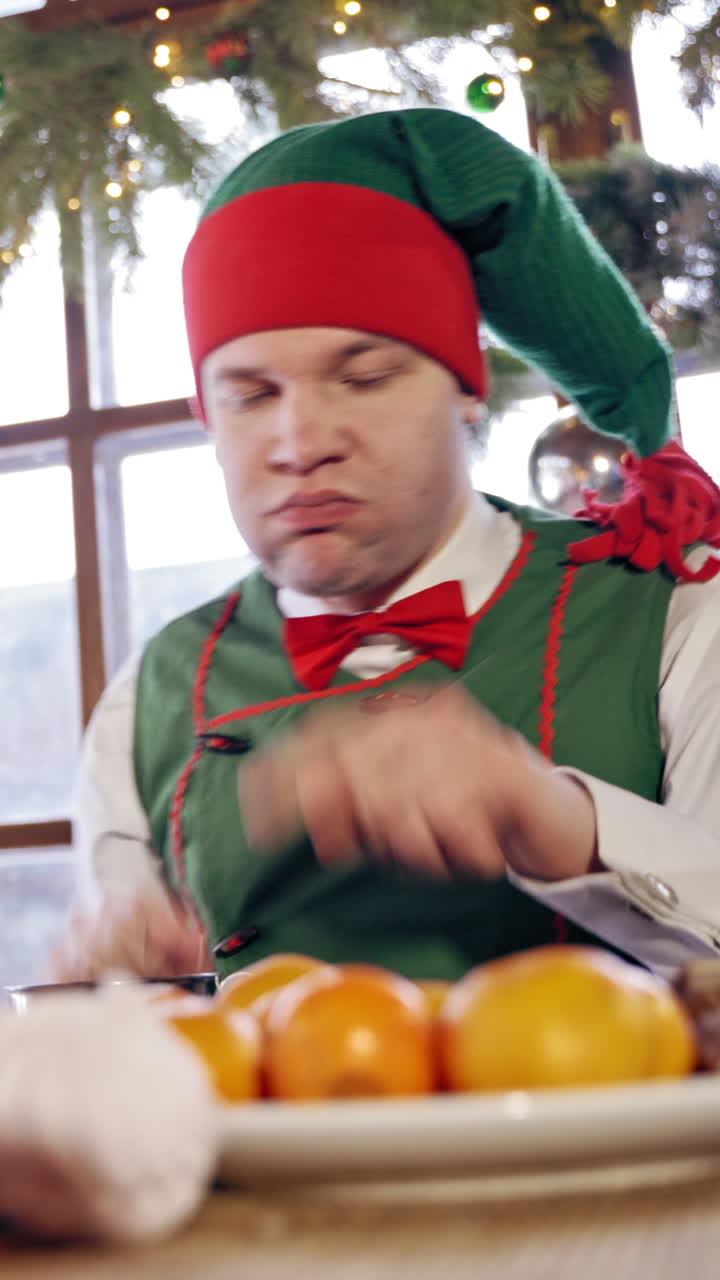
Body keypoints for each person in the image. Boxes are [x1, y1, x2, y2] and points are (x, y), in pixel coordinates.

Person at [52, 107, 720, 986]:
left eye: (363, 377)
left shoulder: (673, 607)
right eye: (251, 395)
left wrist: (565, 822)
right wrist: (110, 983)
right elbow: (125, 1056)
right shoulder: (147, 701)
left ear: (467, 387)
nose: (301, 443)